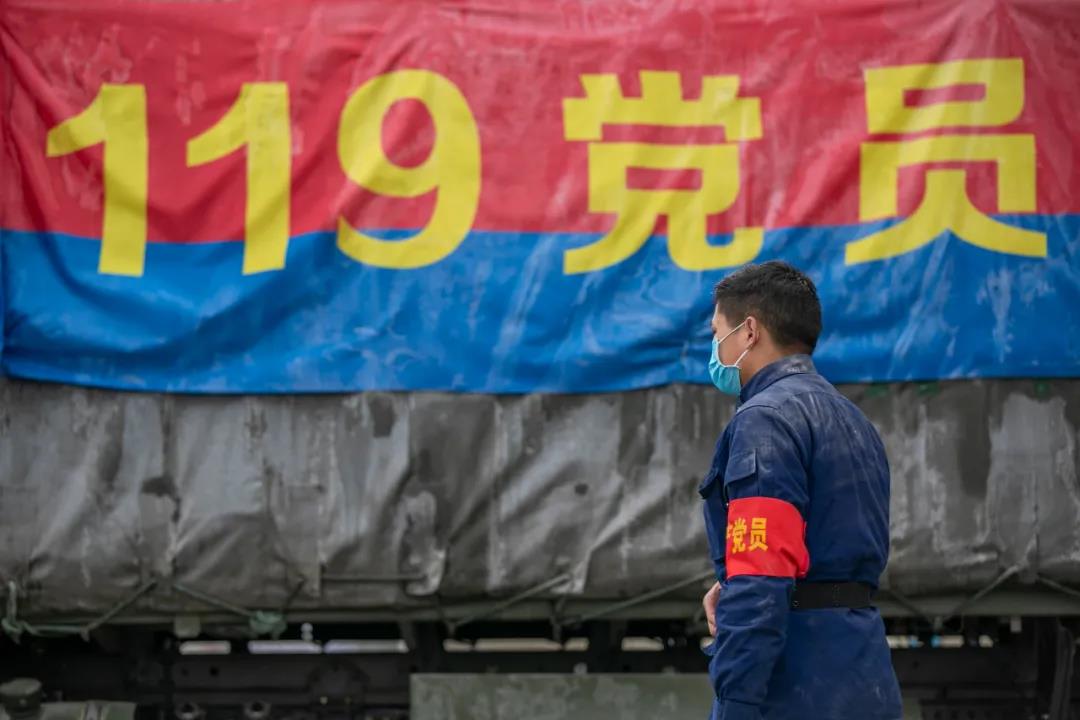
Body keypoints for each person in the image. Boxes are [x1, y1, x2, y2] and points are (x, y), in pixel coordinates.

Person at [699, 260, 902, 720]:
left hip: (796, 679)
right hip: (863, 669)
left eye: (718, 332)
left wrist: (737, 701)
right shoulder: (852, 418)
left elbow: (762, 577)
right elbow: (824, 544)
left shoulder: (765, 420)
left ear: (749, 332)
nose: (715, 347)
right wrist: (731, 581)